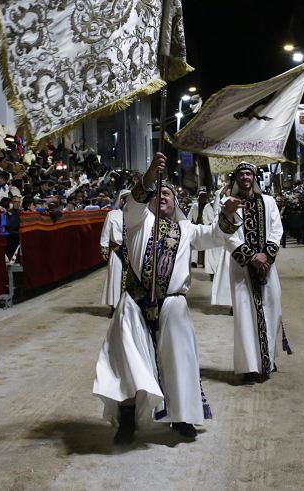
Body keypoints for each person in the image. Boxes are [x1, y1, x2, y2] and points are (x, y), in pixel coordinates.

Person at [93, 152, 242, 444]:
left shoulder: (186, 230)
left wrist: (226, 215)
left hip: (173, 303)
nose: (162, 195)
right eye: (157, 192)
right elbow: (135, 201)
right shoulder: (136, 222)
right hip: (134, 304)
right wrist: (150, 174)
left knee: (179, 361)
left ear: (176, 203)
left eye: (168, 193)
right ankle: (127, 422)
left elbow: (214, 236)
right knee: (127, 362)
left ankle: (182, 417)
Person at [227, 162, 289, 382]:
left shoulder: (269, 202)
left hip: (267, 268)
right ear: (236, 178)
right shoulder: (229, 205)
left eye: (248, 173)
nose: (245, 177)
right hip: (242, 269)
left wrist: (266, 256)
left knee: (271, 310)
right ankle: (249, 367)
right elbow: (228, 235)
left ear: (254, 177)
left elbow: (276, 229)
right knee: (245, 316)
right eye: (241, 174)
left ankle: (267, 362)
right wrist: (251, 258)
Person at [99, 189, 131, 318]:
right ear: (122, 201)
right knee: (115, 278)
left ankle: (129, 307)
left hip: (132, 251)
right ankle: (114, 306)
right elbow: (106, 232)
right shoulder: (112, 214)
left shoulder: (136, 215)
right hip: (117, 250)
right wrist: (104, 247)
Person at [187, 188, 217, 274]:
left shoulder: (208, 206)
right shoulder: (195, 206)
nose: (203, 198)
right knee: (195, 244)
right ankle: (194, 261)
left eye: (204, 197)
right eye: (201, 197)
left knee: (205, 247)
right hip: (196, 226)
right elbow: (190, 215)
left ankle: (203, 263)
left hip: (205, 228)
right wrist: (188, 224)